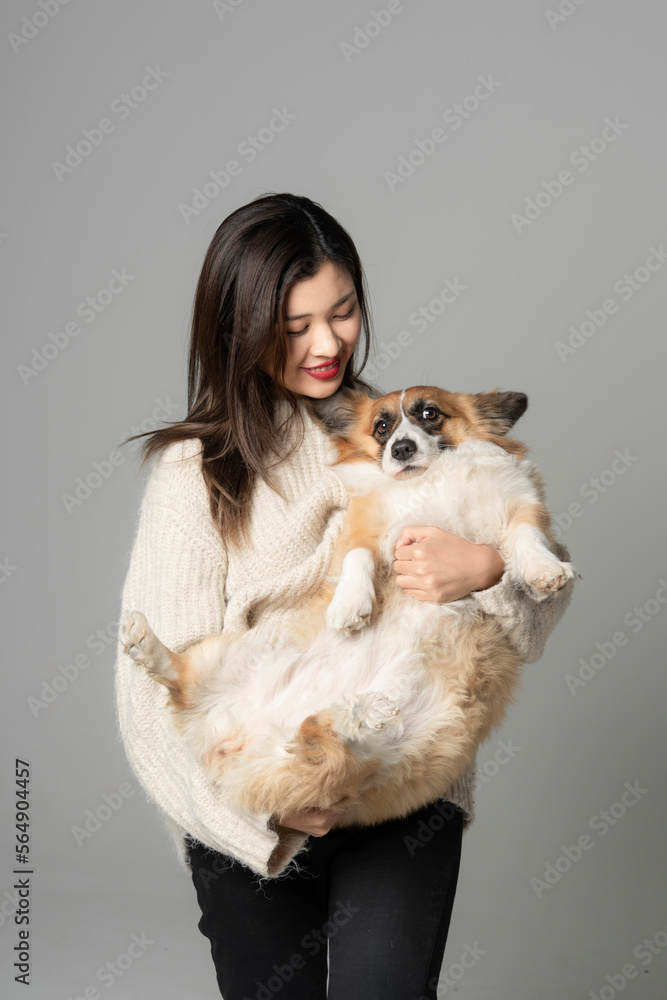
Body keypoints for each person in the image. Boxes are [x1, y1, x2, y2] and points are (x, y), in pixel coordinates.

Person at [114, 192, 574, 999]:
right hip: (256, 799)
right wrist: (257, 813)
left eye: (343, 311)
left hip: (402, 781)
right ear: (238, 328)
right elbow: (149, 696)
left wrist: (485, 568)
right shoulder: (195, 472)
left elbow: (538, 612)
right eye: (294, 326)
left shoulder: (411, 427)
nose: (326, 344)